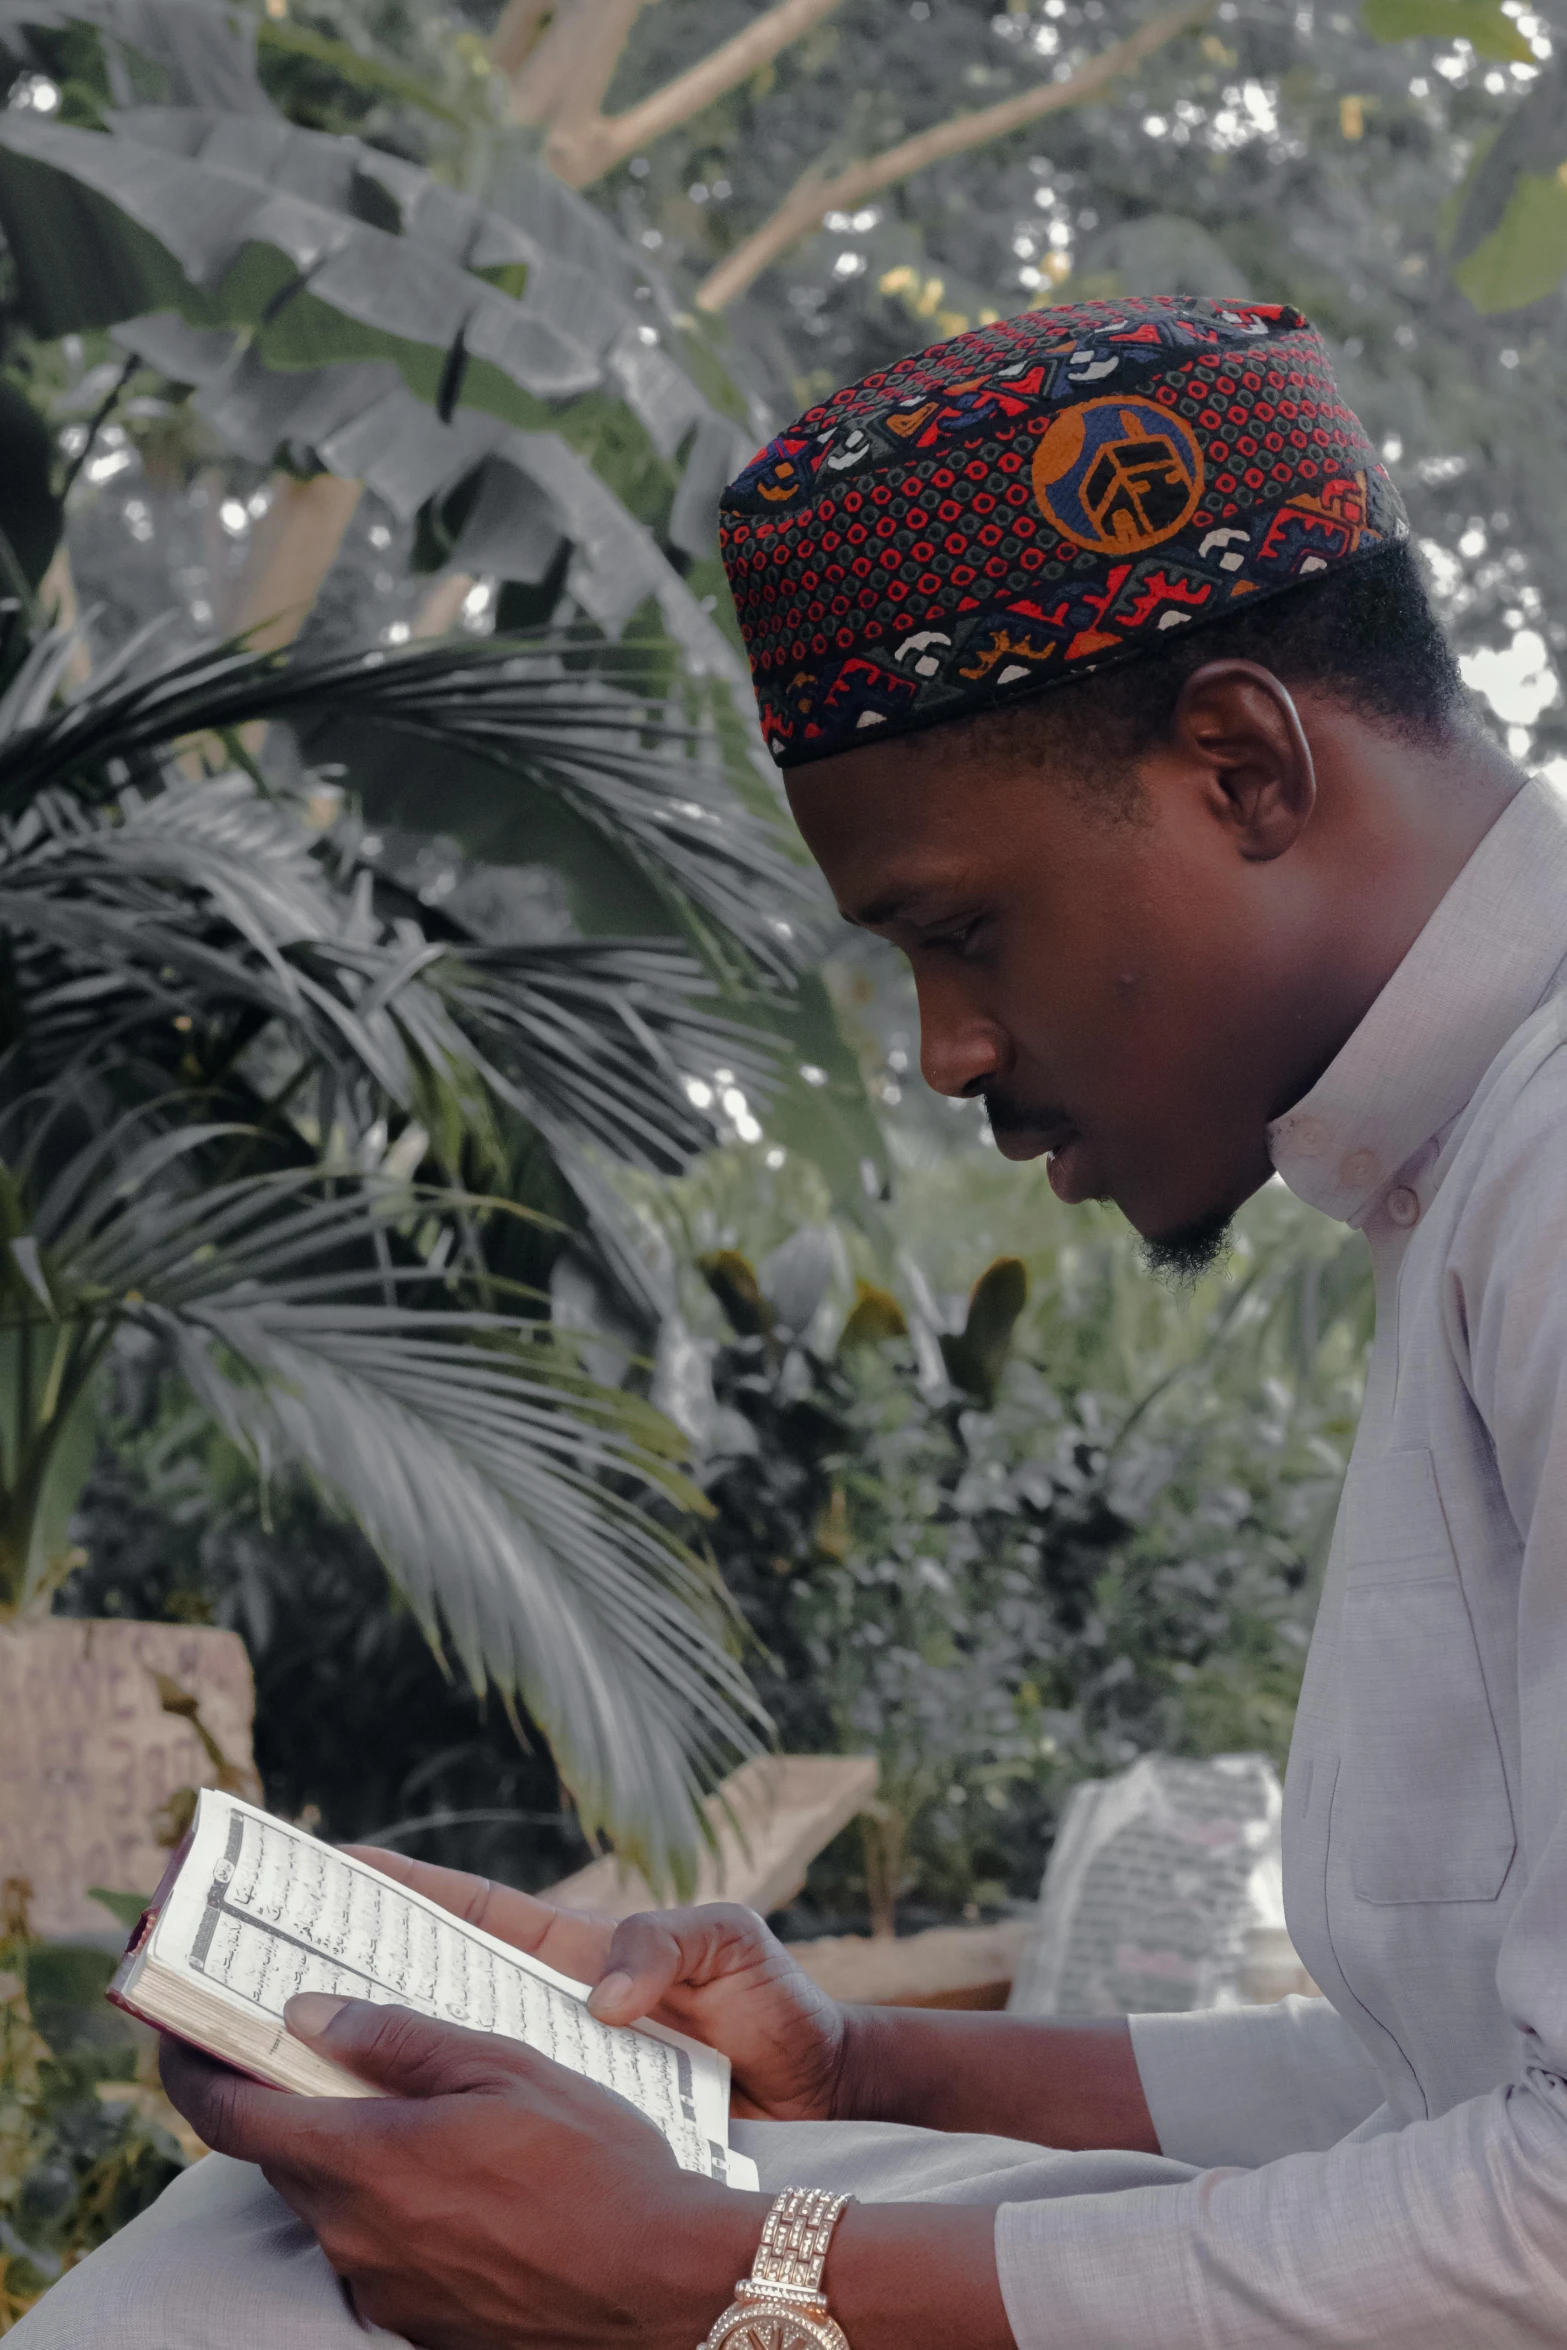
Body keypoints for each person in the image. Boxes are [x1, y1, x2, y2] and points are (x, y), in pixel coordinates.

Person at [21, 292, 1567, 2349]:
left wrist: (716, 2276)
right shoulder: (1467, 1169)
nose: (943, 1049)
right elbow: (1436, 2084)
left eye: (962, 927)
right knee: (258, 2260)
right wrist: (857, 2066)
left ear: (1240, 763)